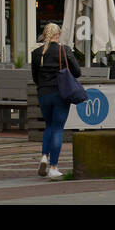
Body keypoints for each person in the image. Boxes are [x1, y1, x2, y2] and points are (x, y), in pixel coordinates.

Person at [30, 23, 80, 180]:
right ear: (57, 35)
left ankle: (44, 156)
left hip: (44, 94)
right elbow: (77, 72)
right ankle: (53, 167)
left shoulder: (37, 53)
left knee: (49, 126)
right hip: (60, 94)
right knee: (58, 129)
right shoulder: (64, 50)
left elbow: (35, 77)